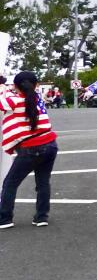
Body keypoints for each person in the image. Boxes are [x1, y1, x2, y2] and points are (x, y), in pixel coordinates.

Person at [0, 71, 59, 229]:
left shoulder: (13, 101)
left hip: (29, 147)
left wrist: (1, 84)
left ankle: (5, 218)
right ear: (36, 85)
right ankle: (41, 217)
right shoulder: (37, 99)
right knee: (43, 183)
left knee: (10, 183)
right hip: (50, 143)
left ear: (15, 86)